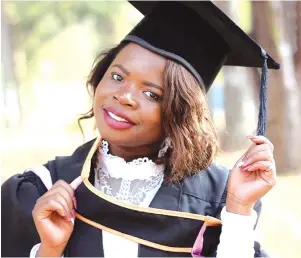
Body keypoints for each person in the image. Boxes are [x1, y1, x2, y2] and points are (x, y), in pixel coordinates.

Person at [1, 1, 279, 257]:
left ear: (180, 114)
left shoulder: (221, 199)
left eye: (152, 94)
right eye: (118, 76)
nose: (124, 96)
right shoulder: (44, 188)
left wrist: (239, 209)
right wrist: (50, 249)